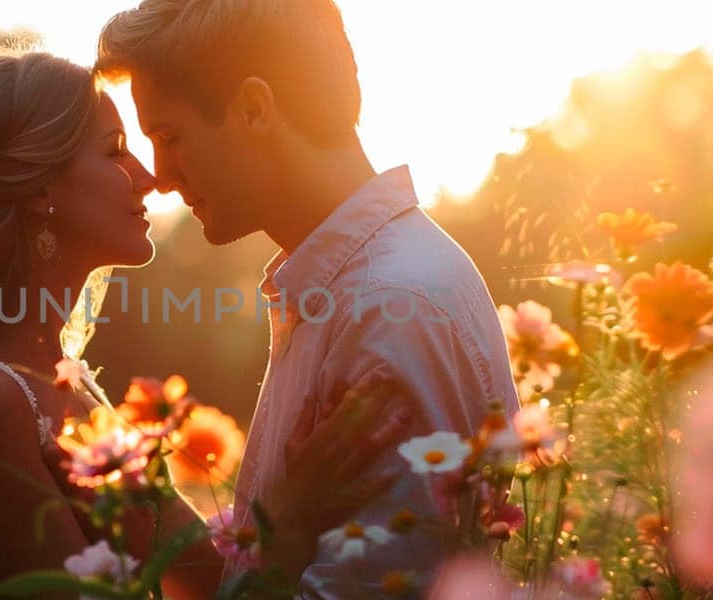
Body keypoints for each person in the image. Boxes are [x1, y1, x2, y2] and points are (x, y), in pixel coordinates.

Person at [0, 49, 409, 598]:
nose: (148, 176)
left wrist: (291, 502)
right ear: (39, 188)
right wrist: (291, 518)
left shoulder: (60, 382)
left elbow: (211, 586)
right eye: (114, 150)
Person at [97, 0, 522, 595]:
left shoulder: (389, 308)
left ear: (253, 108)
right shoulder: (346, 286)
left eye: (170, 136)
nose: (161, 174)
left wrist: (282, 532)